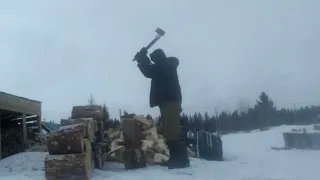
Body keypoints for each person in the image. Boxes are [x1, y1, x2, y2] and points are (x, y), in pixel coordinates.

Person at [134, 47, 190, 169]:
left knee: (172, 131)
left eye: (154, 59)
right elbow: (151, 69)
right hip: (167, 102)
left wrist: (142, 57)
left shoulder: (165, 66)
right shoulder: (165, 66)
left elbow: (149, 71)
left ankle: (182, 160)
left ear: (158, 58)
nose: (153, 62)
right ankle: (176, 158)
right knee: (169, 130)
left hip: (170, 101)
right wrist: (143, 59)